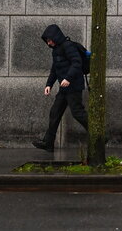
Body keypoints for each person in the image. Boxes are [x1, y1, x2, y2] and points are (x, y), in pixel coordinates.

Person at [33, 24, 88, 152]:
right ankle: (48, 143)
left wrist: (68, 78)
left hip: (73, 86)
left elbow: (77, 63)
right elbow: (55, 70)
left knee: (78, 113)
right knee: (55, 112)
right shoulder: (56, 50)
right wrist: (49, 85)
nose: (48, 42)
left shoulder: (68, 46)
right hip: (64, 88)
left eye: (50, 39)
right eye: (47, 40)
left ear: (56, 37)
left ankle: (99, 135)